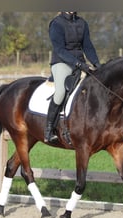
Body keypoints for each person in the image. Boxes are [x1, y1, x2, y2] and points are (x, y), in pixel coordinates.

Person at [44, 12, 101, 143]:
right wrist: (79, 64)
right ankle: (48, 129)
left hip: (80, 63)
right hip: (61, 62)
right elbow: (59, 50)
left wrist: (97, 64)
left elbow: (88, 46)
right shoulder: (56, 23)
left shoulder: (82, 23)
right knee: (60, 93)